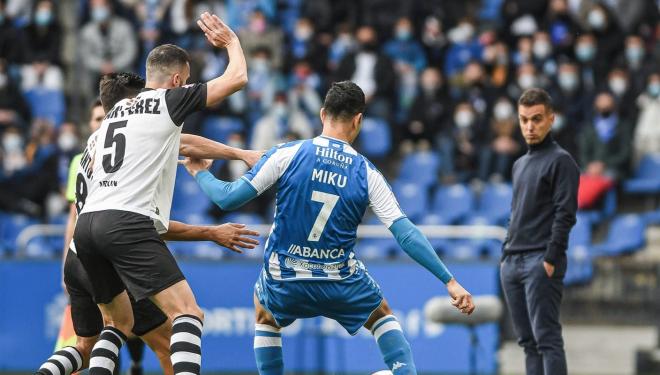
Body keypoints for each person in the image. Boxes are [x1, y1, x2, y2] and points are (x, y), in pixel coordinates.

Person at [180, 81, 475, 375]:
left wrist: (201, 173)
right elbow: (405, 233)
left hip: (285, 278)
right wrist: (449, 280)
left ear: (322, 114)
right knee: (381, 313)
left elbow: (227, 198)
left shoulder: (288, 154)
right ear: (358, 120)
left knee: (264, 311)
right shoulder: (366, 171)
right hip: (340, 281)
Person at [36, 72, 260, 375]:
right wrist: (239, 155)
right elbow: (140, 217)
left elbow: (81, 216)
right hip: (115, 246)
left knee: (94, 342)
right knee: (175, 331)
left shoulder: (90, 148)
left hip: (81, 249)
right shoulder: (140, 134)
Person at [72, 13, 249, 375]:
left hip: (86, 226)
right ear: (178, 80)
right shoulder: (167, 101)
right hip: (125, 222)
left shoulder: (117, 111)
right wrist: (232, 43)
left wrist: (238, 154)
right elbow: (237, 79)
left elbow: (178, 142)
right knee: (187, 313)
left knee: (117, 325)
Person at [501, 88, 579, 375]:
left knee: (546, 340)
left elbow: (565, 214)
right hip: (512, 261)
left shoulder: (562, 161)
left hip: (539, 261)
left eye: (536, 119)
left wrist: (550, 257)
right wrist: (505, 253)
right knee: (528, 342)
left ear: (551, 119)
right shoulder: (519, 164)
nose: (530, 127)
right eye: (524, 120)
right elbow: (516, 212)